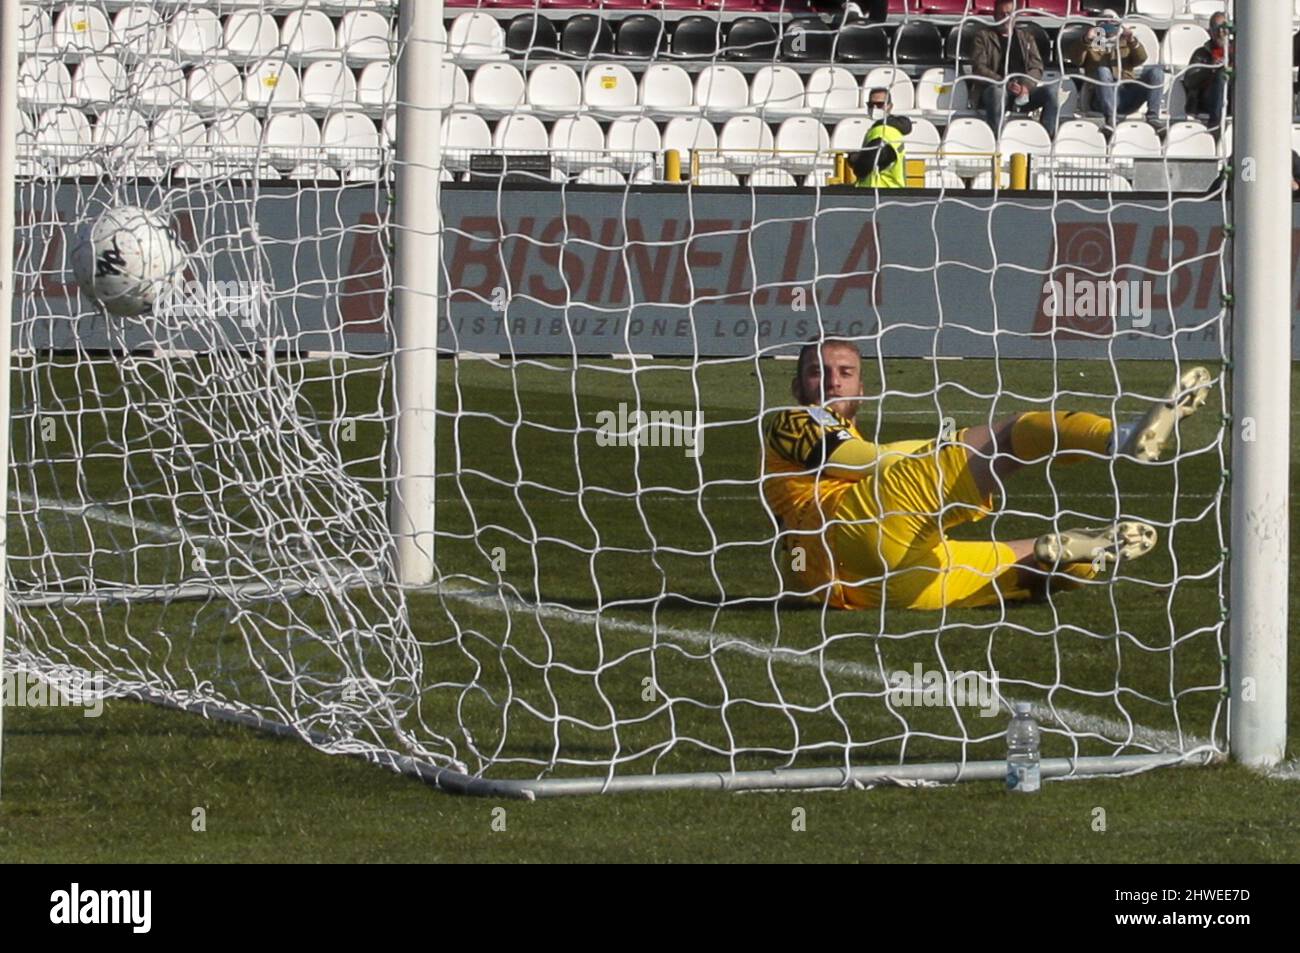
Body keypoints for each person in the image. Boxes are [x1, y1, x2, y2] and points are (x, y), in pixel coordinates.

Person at [761, 339, 1211, 610]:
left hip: (864, 593)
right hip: (854, 529)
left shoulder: (829, 426)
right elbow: (869, 460)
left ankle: (1086, 554)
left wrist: (940, 453)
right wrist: (950, 449)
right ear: (797, 387)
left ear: (863, 387)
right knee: (1010, 436)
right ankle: (1123, 437)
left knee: (1031, 565)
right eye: (818, 373)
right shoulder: (794, 419)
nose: (833, 382)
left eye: (845, 373)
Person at [969, 0, 1064, 134]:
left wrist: (1026, 86)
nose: (1005, 17)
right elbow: (979, 68)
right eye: (1001, 14)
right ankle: (996, 140)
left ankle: (1046, 138)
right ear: (995, 16)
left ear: (1016, 16)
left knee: (1052, 92)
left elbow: (1037, 67)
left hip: (1023, 90)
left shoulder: (1026, 38)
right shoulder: (983, 37)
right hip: (995, 88)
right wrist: (1005, 83)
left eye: (1009, 13)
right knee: (998, 93)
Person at [1065, 9, 1165, 131]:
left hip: (1126, 93)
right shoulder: (1093, 43)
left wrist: (1132, 41)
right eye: (1104, 22)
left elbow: (1141, 58)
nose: (1108, 24)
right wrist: (1086, 39)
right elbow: (1076, 59)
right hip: (1100, 96)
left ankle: (1153, 116)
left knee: (1157, 73)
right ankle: (1110, 118)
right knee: (1102, 70)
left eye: (1112, 21)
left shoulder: (1125, 42)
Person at [850, 88, 912, 188]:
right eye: (870, 105)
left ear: (889, 106)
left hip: (880, 190)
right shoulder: (894, 130)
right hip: (893, 189)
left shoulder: (881, 131)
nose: (874, 108)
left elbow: (865, 165)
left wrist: (853, 159)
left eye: (879, 105)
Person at [1183, 12, 1231, 129]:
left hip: (1233, 96)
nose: (1220, 33)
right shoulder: (1201, 53)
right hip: (1206, 98)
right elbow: (1190, 81)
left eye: (1223, 28)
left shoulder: (1238, 51)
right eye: (1216, 29)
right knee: (1221, 75)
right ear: (1210, 32)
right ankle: (1216, 124)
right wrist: (1211, 68)